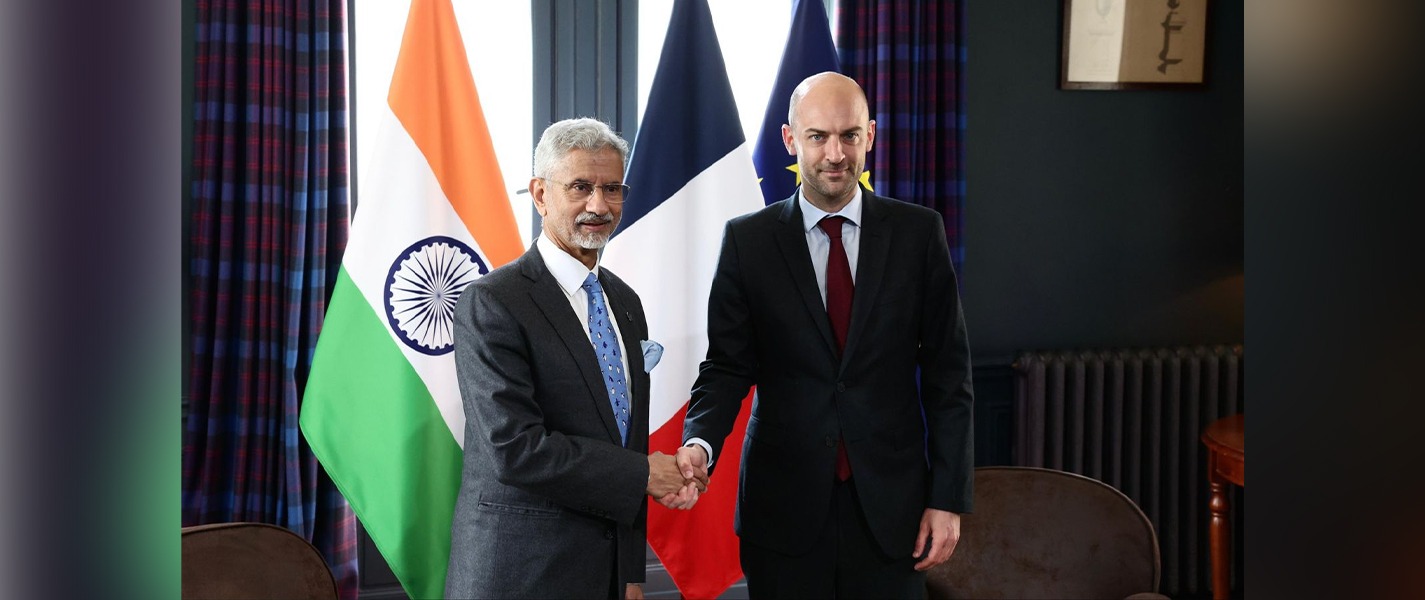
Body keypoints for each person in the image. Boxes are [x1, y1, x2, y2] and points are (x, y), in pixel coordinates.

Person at [676, 72, 975, 597]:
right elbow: (726, 366)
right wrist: (699, 441)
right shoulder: (749, 242)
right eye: (818, 137)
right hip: (783, 510)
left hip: (892, 512)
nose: (835, 154)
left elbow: (949, 377)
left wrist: (948, 497)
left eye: (849, 135)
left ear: (871, 136)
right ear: (791, 140)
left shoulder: (918, 234)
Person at [445, 117, 706, 600]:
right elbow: (515, 450)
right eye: (580, 187)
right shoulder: (492, 302)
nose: (598, 206)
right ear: (541, 195)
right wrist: (646, 473)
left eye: (612, 188)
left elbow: (624, 443)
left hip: (605, 579)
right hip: (518, 579)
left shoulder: (625, 304)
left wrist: (630, 574)